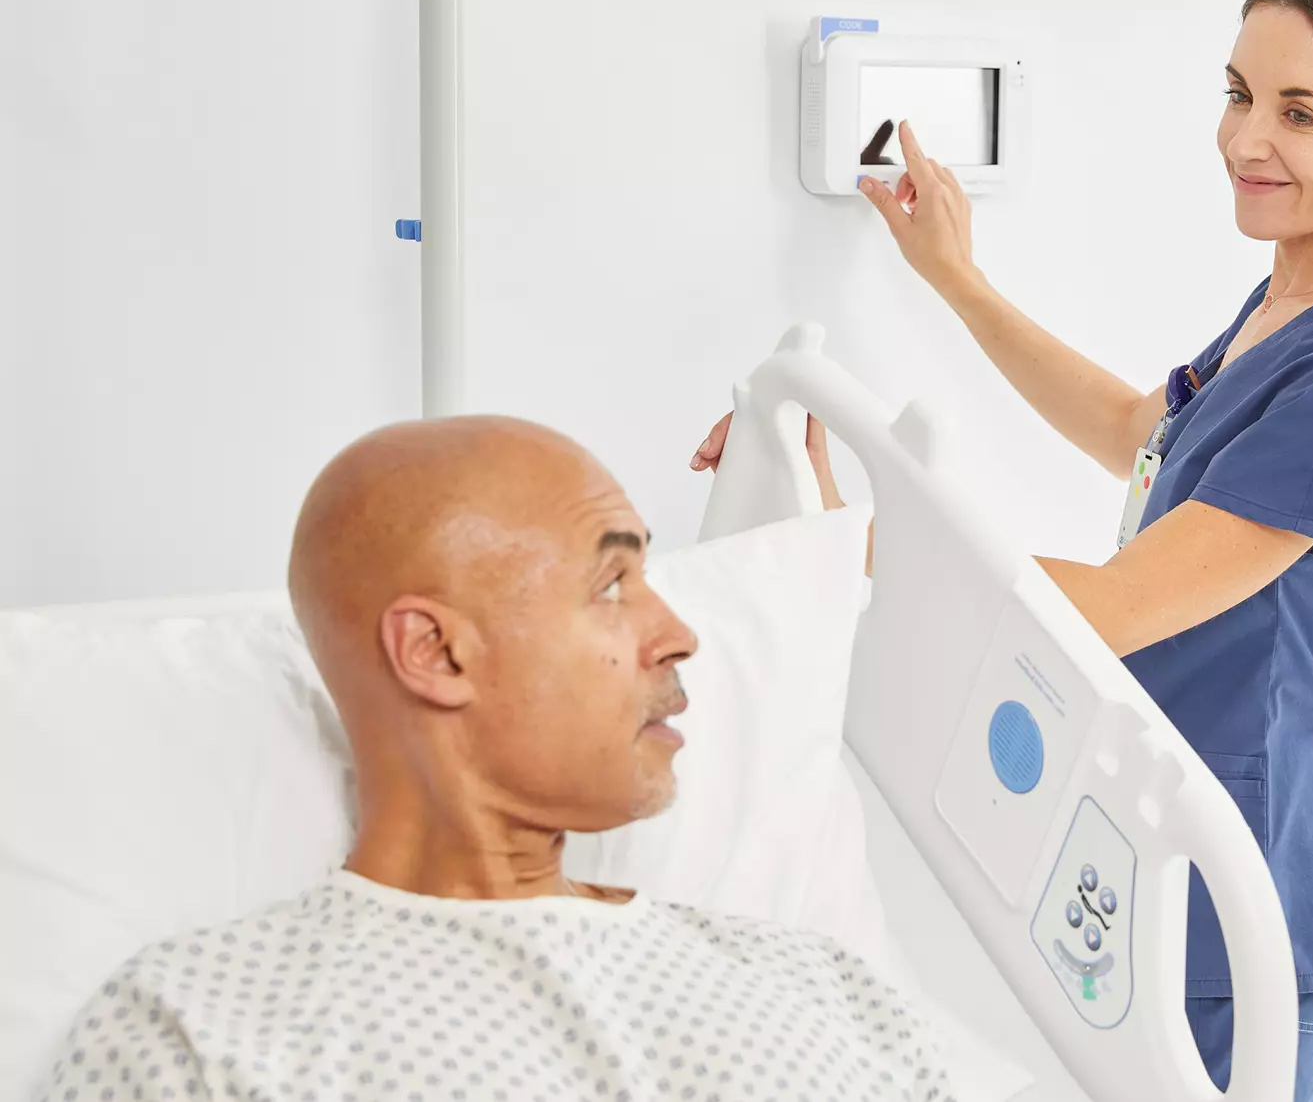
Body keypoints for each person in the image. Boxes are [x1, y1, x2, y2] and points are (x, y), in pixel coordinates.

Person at [692, 0, 1313, 1098]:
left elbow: (1112, 606)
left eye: (1298, 113)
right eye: (1237, 94)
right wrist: (956, 281)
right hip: (1170, 860)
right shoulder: (1293, 301)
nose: (1245, 140)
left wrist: (840, 536)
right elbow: (1145, 434)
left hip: (1261, 892)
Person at [36, 417, 959, 1102]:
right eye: (611, 586)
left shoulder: (817, 987)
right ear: (435, 653)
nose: (677, 635)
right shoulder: (200, 1035)